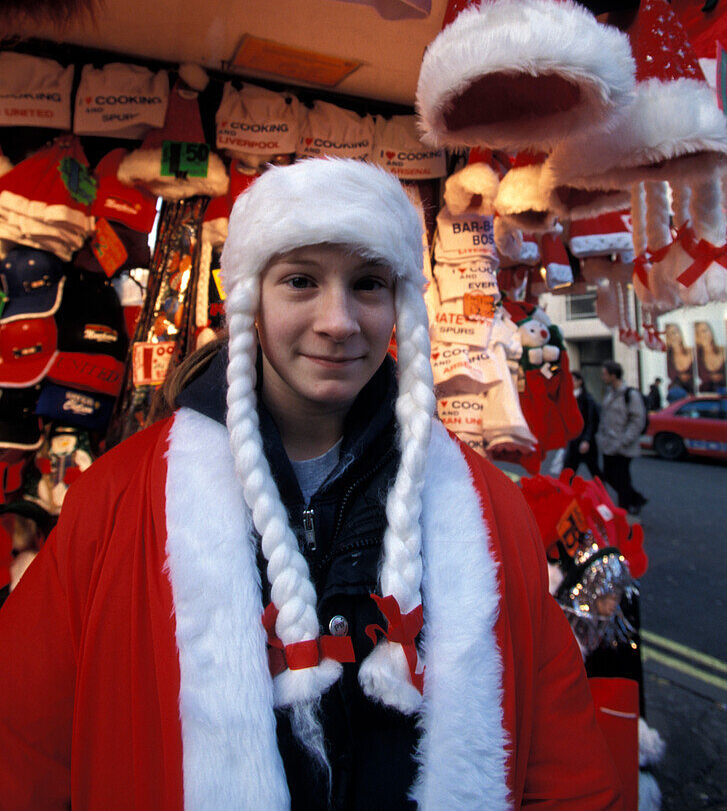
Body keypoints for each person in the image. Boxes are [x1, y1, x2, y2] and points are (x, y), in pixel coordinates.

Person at [0, 159, 623, 809]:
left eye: (367, 285)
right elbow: (22, 748)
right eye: (300, 281)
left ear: (398, 304)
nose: (338, 320)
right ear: (250, 300)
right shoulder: (120, 499)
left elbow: (563, 771)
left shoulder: (489, 510)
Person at [597, 360, 649, 519]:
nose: (602, 376)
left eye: (605, 374)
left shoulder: (630, 395)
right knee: (610, 477)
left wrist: (625, 440)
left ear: (614, 375)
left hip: (623, 446)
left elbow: (637, 420)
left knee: (622, 479)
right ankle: (636, 499)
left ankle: (624, 512)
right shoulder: (609, 392)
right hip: (608, 444)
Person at [562, 370, 602, 478]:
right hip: (573, 440)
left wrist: (586, 440)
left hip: (585, 440)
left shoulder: (587, 399)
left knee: (594, 470)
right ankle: (564, 493)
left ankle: (600, 492)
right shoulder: (569, 397)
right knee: (567, 471)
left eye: (573, 380)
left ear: (580, 382)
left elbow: (591, 421)